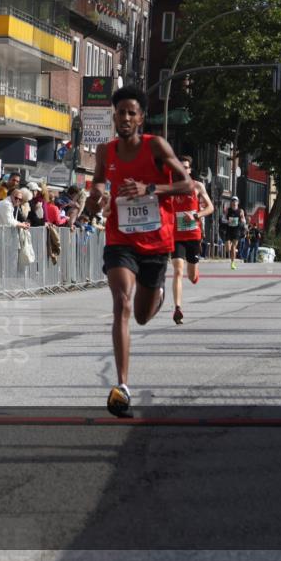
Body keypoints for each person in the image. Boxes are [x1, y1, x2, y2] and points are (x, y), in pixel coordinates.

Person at [84, 85, 193, 416]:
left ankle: (157, 294)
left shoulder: (156, 146)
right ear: (114, 117)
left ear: (141, 118)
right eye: (121, 113)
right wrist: (98, 196)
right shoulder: (106, 151)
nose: (126, 118)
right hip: (121, 239)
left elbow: (187, 183)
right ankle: (122, 386)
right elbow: (100, 181)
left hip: (157, 241)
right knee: (122, 303)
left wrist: (152, 188)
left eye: (132, 113)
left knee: (143, 316)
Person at [170, 155, 214, 324]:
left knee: (191, 275)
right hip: (177, 235)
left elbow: (210, 207)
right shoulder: (171, 187)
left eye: (186, 167)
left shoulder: (197, 186)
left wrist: (197, 215)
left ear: (190, 170)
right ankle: (177, 309)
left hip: (193, 235)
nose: (183, 169)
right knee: (178, 270)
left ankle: (195, 274)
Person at [224, 197, 247, 270]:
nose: (234, 203)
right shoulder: (228, 210)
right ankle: (233, 250)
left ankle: (233, 263)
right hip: (229, 229)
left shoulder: (240, 211)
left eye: (235, 201)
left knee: (233, 247)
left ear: (238, 202)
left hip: (237, 230)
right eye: (233, 201)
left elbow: (244, 220)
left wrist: (243, 221)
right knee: (228, 248)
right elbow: (223, 218)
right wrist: (226, 221)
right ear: (231, 203)